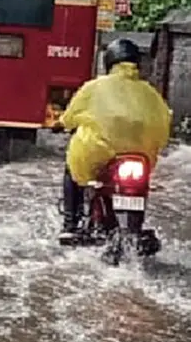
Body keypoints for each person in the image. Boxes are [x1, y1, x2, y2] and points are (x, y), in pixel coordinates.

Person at [54, 38, 172, 240]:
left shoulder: (94, 87)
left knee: (71, 169)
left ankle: (71, 223)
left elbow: (71, 116)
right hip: (141, 155)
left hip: (100, 153)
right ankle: (136, 228)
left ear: (109, 62)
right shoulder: (150, 92)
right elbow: (165, 122)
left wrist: (61, 123)